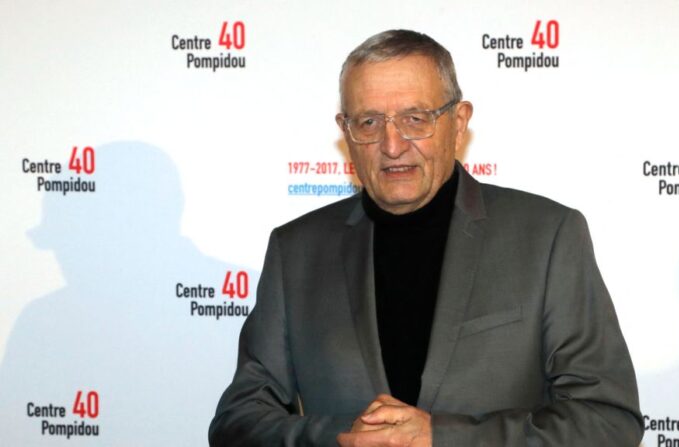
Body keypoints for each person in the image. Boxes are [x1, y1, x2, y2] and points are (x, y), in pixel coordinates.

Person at [209, 29, 643, 447]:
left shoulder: (547, 236)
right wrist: (341, 436)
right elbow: (238, 422)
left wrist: (443, 438)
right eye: (369, 121)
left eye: (415, 119)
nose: (392, 144)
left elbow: (606, 418)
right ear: (346, 132)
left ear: (458, 122)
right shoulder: (296, 251)